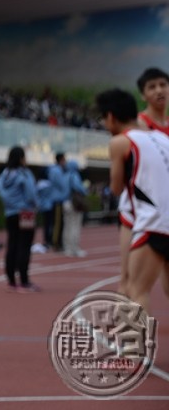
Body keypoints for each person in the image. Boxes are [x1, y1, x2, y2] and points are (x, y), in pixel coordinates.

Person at [97, 88, 169, 314]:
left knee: (135, 290)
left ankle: (132, 351)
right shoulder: (164, 138)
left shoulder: (120, 142)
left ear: (110, 116)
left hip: (153, 223)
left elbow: (117, 187)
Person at [0, 146, 39, 293]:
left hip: (10, 213)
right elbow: (31, 194)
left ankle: (11, 280)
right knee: (24, 246)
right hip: (25, 213)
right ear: (21, 158)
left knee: (12, 245)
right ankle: (24, 280)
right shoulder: (24, 174)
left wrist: (11, 205)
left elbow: (1, 192)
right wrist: (33, 205)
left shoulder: (4, 175)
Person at [61, 160, 87, 258]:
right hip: (74, 203)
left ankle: (67, 248)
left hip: (65, 202)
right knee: (75, 225)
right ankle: (74, 248)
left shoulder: (64, 176)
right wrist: (84, 191)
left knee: (67, 226)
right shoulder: (74, 175)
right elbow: (79, 188)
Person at [46, 152, 69, 251]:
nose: (65, 162)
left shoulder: (55, 170)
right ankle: (56, 243)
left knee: (58, 223)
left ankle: (56, 242)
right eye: (64, 159)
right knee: (58, 223)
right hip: (58, 199)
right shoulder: (57, 171)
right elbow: (62, 185)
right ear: (60, 160)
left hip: (57, 199)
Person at [135, 67, 169, 134]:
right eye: (152, 87)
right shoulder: (138, 125)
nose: (159, 91)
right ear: (143, 95)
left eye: (163, 85)